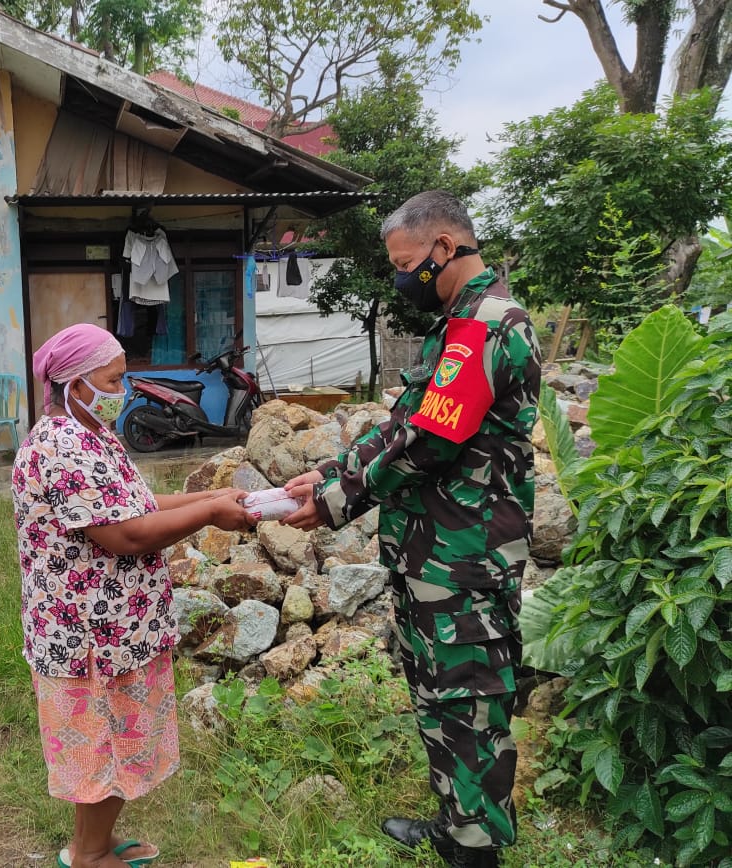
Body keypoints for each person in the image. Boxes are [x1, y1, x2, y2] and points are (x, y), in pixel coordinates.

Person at [281, 191, 542, 868]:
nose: (401, 279)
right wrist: (331, 472)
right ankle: (458, 826)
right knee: (441, 698)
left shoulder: (487, 325)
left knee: (468, 703)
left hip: (466, 557)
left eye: (405, 265)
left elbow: (429, 442)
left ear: (445, 248)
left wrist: (341, 500)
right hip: (437, 553)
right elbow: (401, 424)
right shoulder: (456, 327)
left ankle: (475, 852)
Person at [12, 323, 254, 868]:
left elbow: (135, 505)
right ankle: (92, 855)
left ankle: (90, 843)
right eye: (115, 379)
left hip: (117, 625)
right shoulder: (60, 447)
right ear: (75, 384)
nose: (125, 388)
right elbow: (125, 536)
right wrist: (211, 514)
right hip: (88, 637)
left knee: (112, 741)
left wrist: (209, 493)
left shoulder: (91, 434)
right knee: (101, 745)